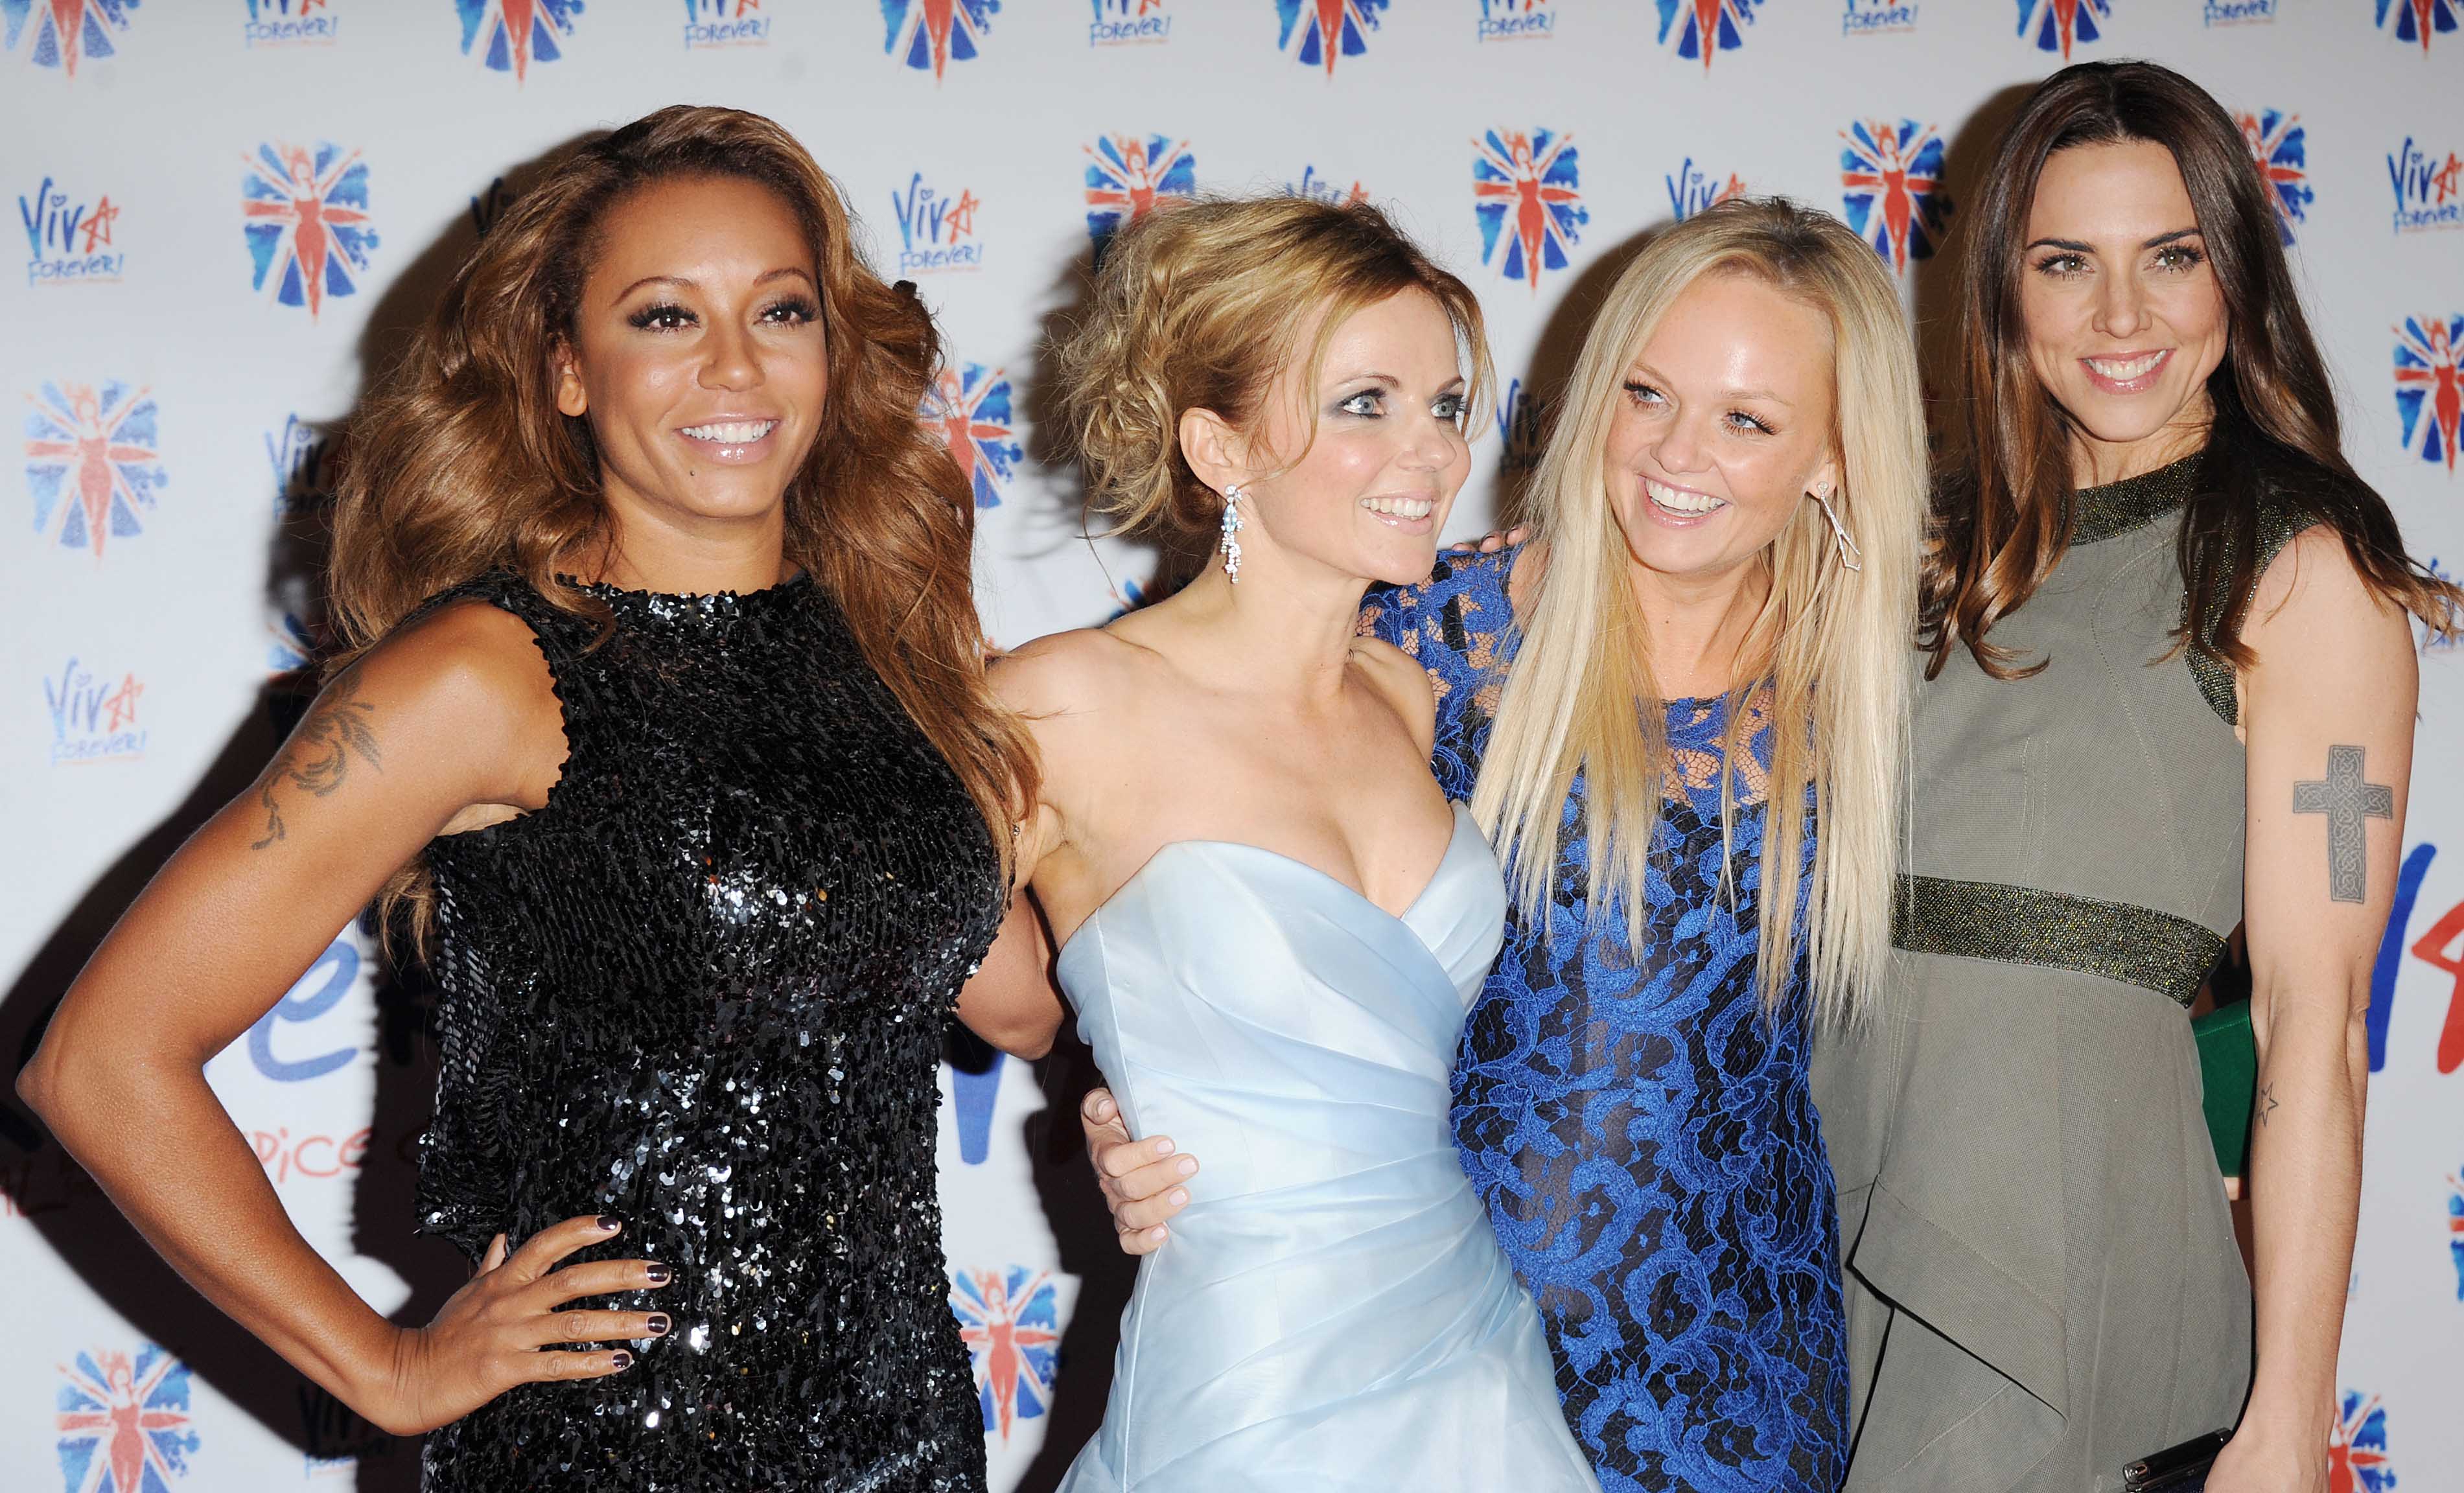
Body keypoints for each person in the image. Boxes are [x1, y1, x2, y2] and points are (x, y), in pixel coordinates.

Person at [17, 105, 1054, 1492]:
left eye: (781, 310)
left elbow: (1020, 1002)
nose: (736, 365)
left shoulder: (883, 648)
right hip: (608, 1447)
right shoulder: (482, 674)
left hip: (904, 1435)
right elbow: (99, 1064)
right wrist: (388, 1370)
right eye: (665, 317)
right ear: (566, 369)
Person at [1078, 196, 1931, 1491]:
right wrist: (1142, 1104)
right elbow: (1167, 875)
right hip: (1436, 1360)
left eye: (1746, 421)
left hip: (1736, 1378)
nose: (1675, 455)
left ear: (1834, 456)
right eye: (1645, 394)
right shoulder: (1427, 633)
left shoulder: (1888, 689)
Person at [1810, 62, 2464, 1492]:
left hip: (2068, 1245)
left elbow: (2310, 1021)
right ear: (2003, 288)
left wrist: (2285, 1420)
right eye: (2065, 263)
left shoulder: (2295, 566)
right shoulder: (1926, 544)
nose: (2120, 317)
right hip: (1825, 1182)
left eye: (2169, 257)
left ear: (2233, 274)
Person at [998, 194, 1599, 1491]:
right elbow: (894, 979)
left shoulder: (1405, 695)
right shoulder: (1066, 702)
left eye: (1445, 405)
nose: (1430, 453)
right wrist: (1111, 1099)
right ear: (1218, 447)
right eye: (1363, 404)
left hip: (1469, 1356)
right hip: (1248, 1382)